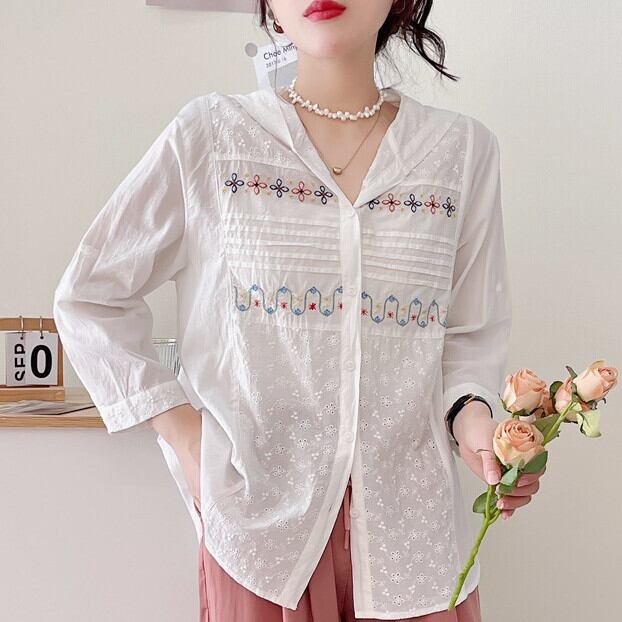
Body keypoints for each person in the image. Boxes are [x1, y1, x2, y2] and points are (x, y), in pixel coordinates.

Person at [52, 1, 546, 620]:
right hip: (263, 542)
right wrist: (186, 437)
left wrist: (478, 429)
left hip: (412, 544)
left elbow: (468, 338)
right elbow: (89, 296)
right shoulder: (213, 137)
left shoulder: (462, 152)